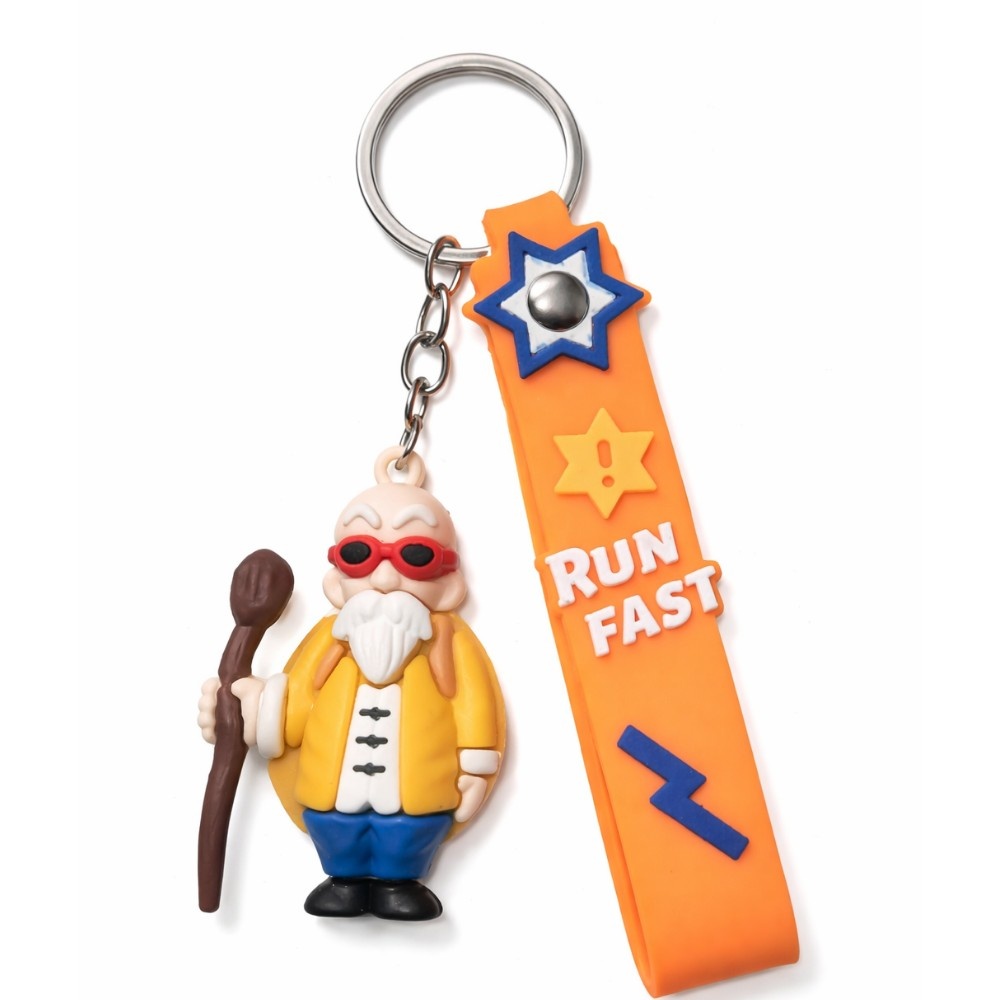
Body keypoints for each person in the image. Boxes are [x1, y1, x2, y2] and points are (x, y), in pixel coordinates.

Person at [198, 452, 505, 920]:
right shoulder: (329, 638)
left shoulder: (451, 642)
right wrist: (251, 707)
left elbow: (473, 702)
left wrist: (476, 766)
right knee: (335, 823)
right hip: (331, 781)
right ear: (337, 576)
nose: (384, 578)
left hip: (420, 781)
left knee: (409, 829)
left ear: (448, 581)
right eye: (360, 555)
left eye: (415, 557)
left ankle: (400, 881)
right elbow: (295, 705)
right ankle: (342, 879)